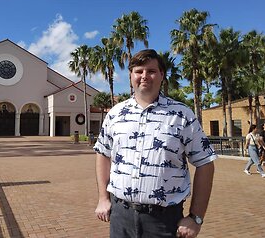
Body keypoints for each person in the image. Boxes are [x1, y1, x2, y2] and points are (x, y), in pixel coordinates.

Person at [93, 49, 218, 238]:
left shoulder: (181, 115)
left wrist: (196, 217)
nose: (144, 76)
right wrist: (103, 198)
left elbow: (205, 163)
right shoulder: (115, 114)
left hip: (164, 221)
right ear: (131, 76)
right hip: (120, 218)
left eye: (151, 71)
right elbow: (103, 153)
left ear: (161, 75)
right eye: (139, 71)